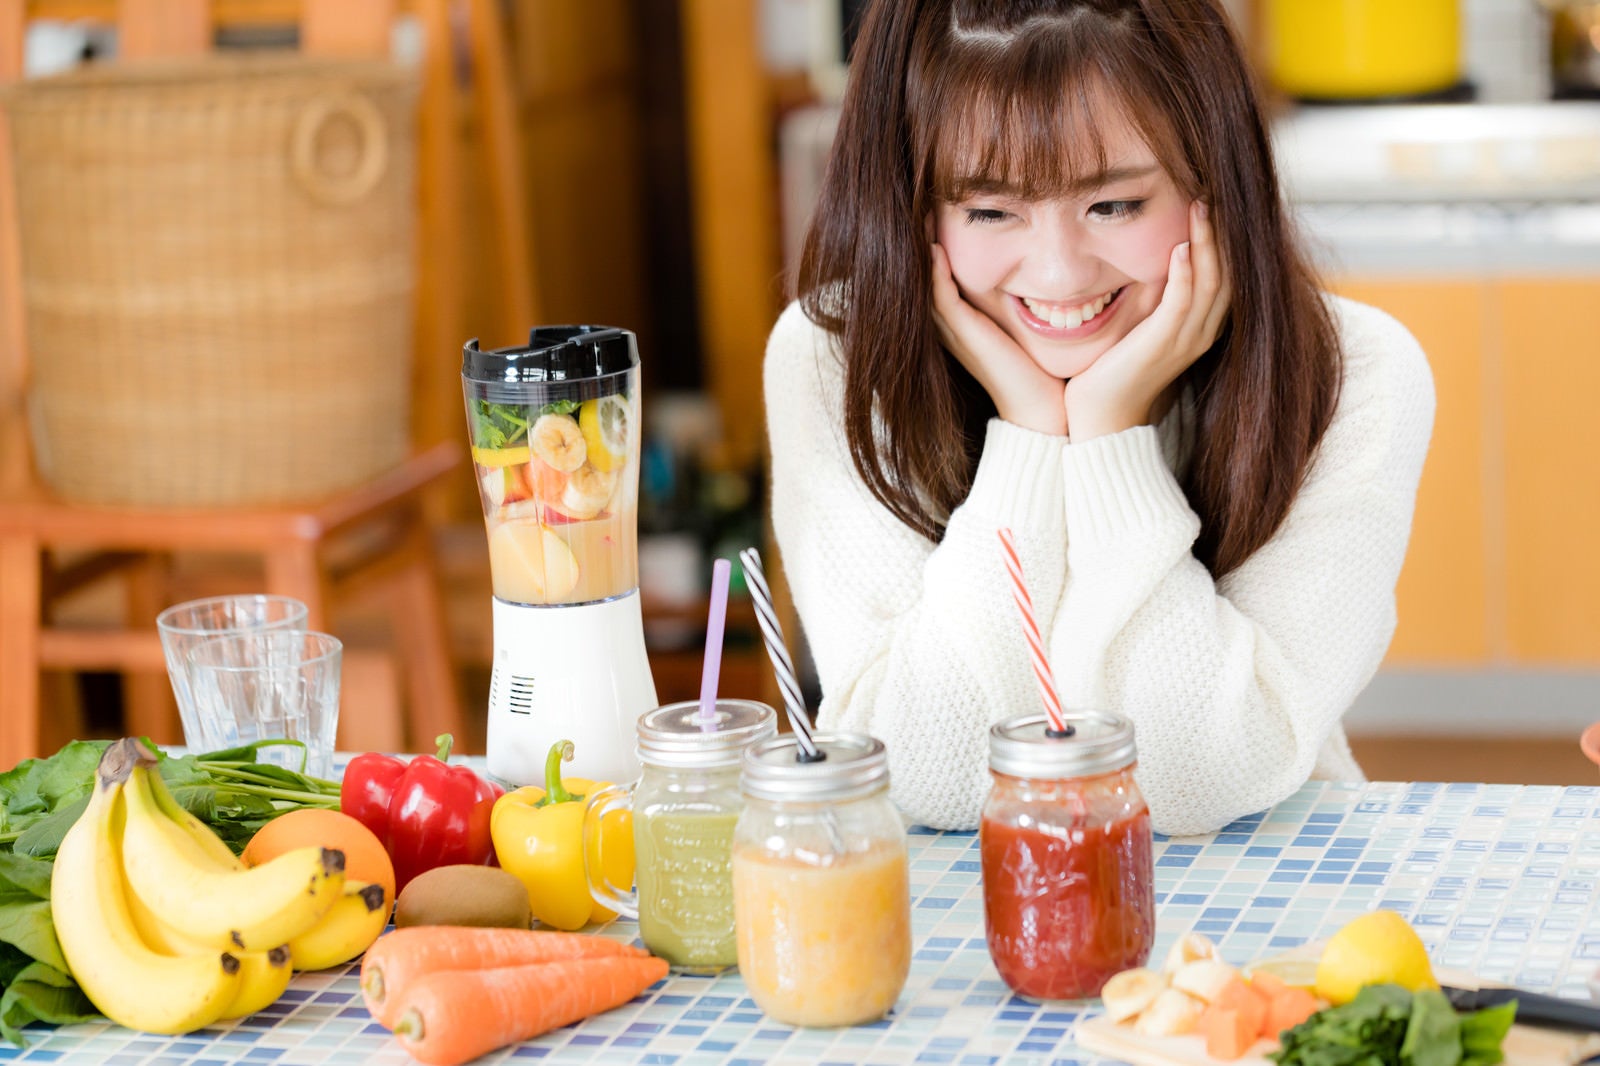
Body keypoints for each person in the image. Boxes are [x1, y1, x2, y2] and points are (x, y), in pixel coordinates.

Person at [764, 0, 1435, 836]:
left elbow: (1199, 781)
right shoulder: (835, 361)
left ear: (1212, 181)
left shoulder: (1353, 375)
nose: (1058, 273)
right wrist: (1035, 437)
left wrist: (1109, 437)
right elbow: (920, 777)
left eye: (1114, 205)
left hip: (1273, 908)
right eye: (988, 212)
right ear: (915, 207)